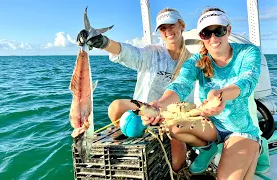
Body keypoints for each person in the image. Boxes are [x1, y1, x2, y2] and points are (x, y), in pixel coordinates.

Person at [142, 7, 264, 179]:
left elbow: (247, 83)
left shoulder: (248, 52)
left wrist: (220, 94)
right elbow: (181, 84)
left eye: (219, 31)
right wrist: (158, 105)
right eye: (206, 33)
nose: (213, 38)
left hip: (239, 129)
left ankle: (255, 147)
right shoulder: (196, 60)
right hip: (211, 125)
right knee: (171, 126)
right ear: (201, 36)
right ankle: (208, 149)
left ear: (228, 30)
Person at [77, 8, 192, 172]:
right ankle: (128, 141)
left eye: (171, 25)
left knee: (177, 148)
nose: (168, 31)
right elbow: (131, 53)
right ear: (159, 32)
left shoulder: (190, 61)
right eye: (163, 28)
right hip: (143, 108)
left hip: (170, 113)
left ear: (181, 25)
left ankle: (177, 171)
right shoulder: (153, 53)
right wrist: (104, 43)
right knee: (115, 107)